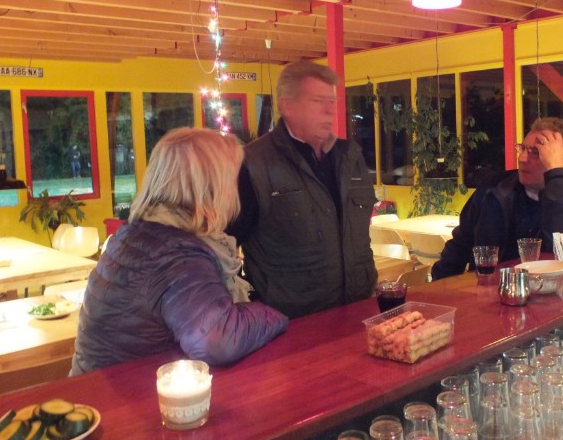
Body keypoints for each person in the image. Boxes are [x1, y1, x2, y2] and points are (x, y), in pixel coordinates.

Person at [71, 127, 288, 375]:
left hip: (97, 384)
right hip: (130, 393)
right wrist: (274, 313)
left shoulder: (137, 234)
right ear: (209, 187)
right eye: (232, 178)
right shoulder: (177, 255)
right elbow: (216, 341)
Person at [228, 60, 377, 319]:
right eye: (318, 101)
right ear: (288, 106)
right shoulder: (253, 164)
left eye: (331, 101)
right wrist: (247, 307)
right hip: (291, 324)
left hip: (359, 312)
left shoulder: (350, 157)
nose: (330, 110)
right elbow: (223, 248)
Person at [431, 117, 563, 280]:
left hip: (545, 297)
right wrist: (438, 287)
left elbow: (560, 248)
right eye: (523, 148)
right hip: (485, 292)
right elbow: (459, 245)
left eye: (536, 153)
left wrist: (556, 174)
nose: (522, 158)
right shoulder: (493, 187)